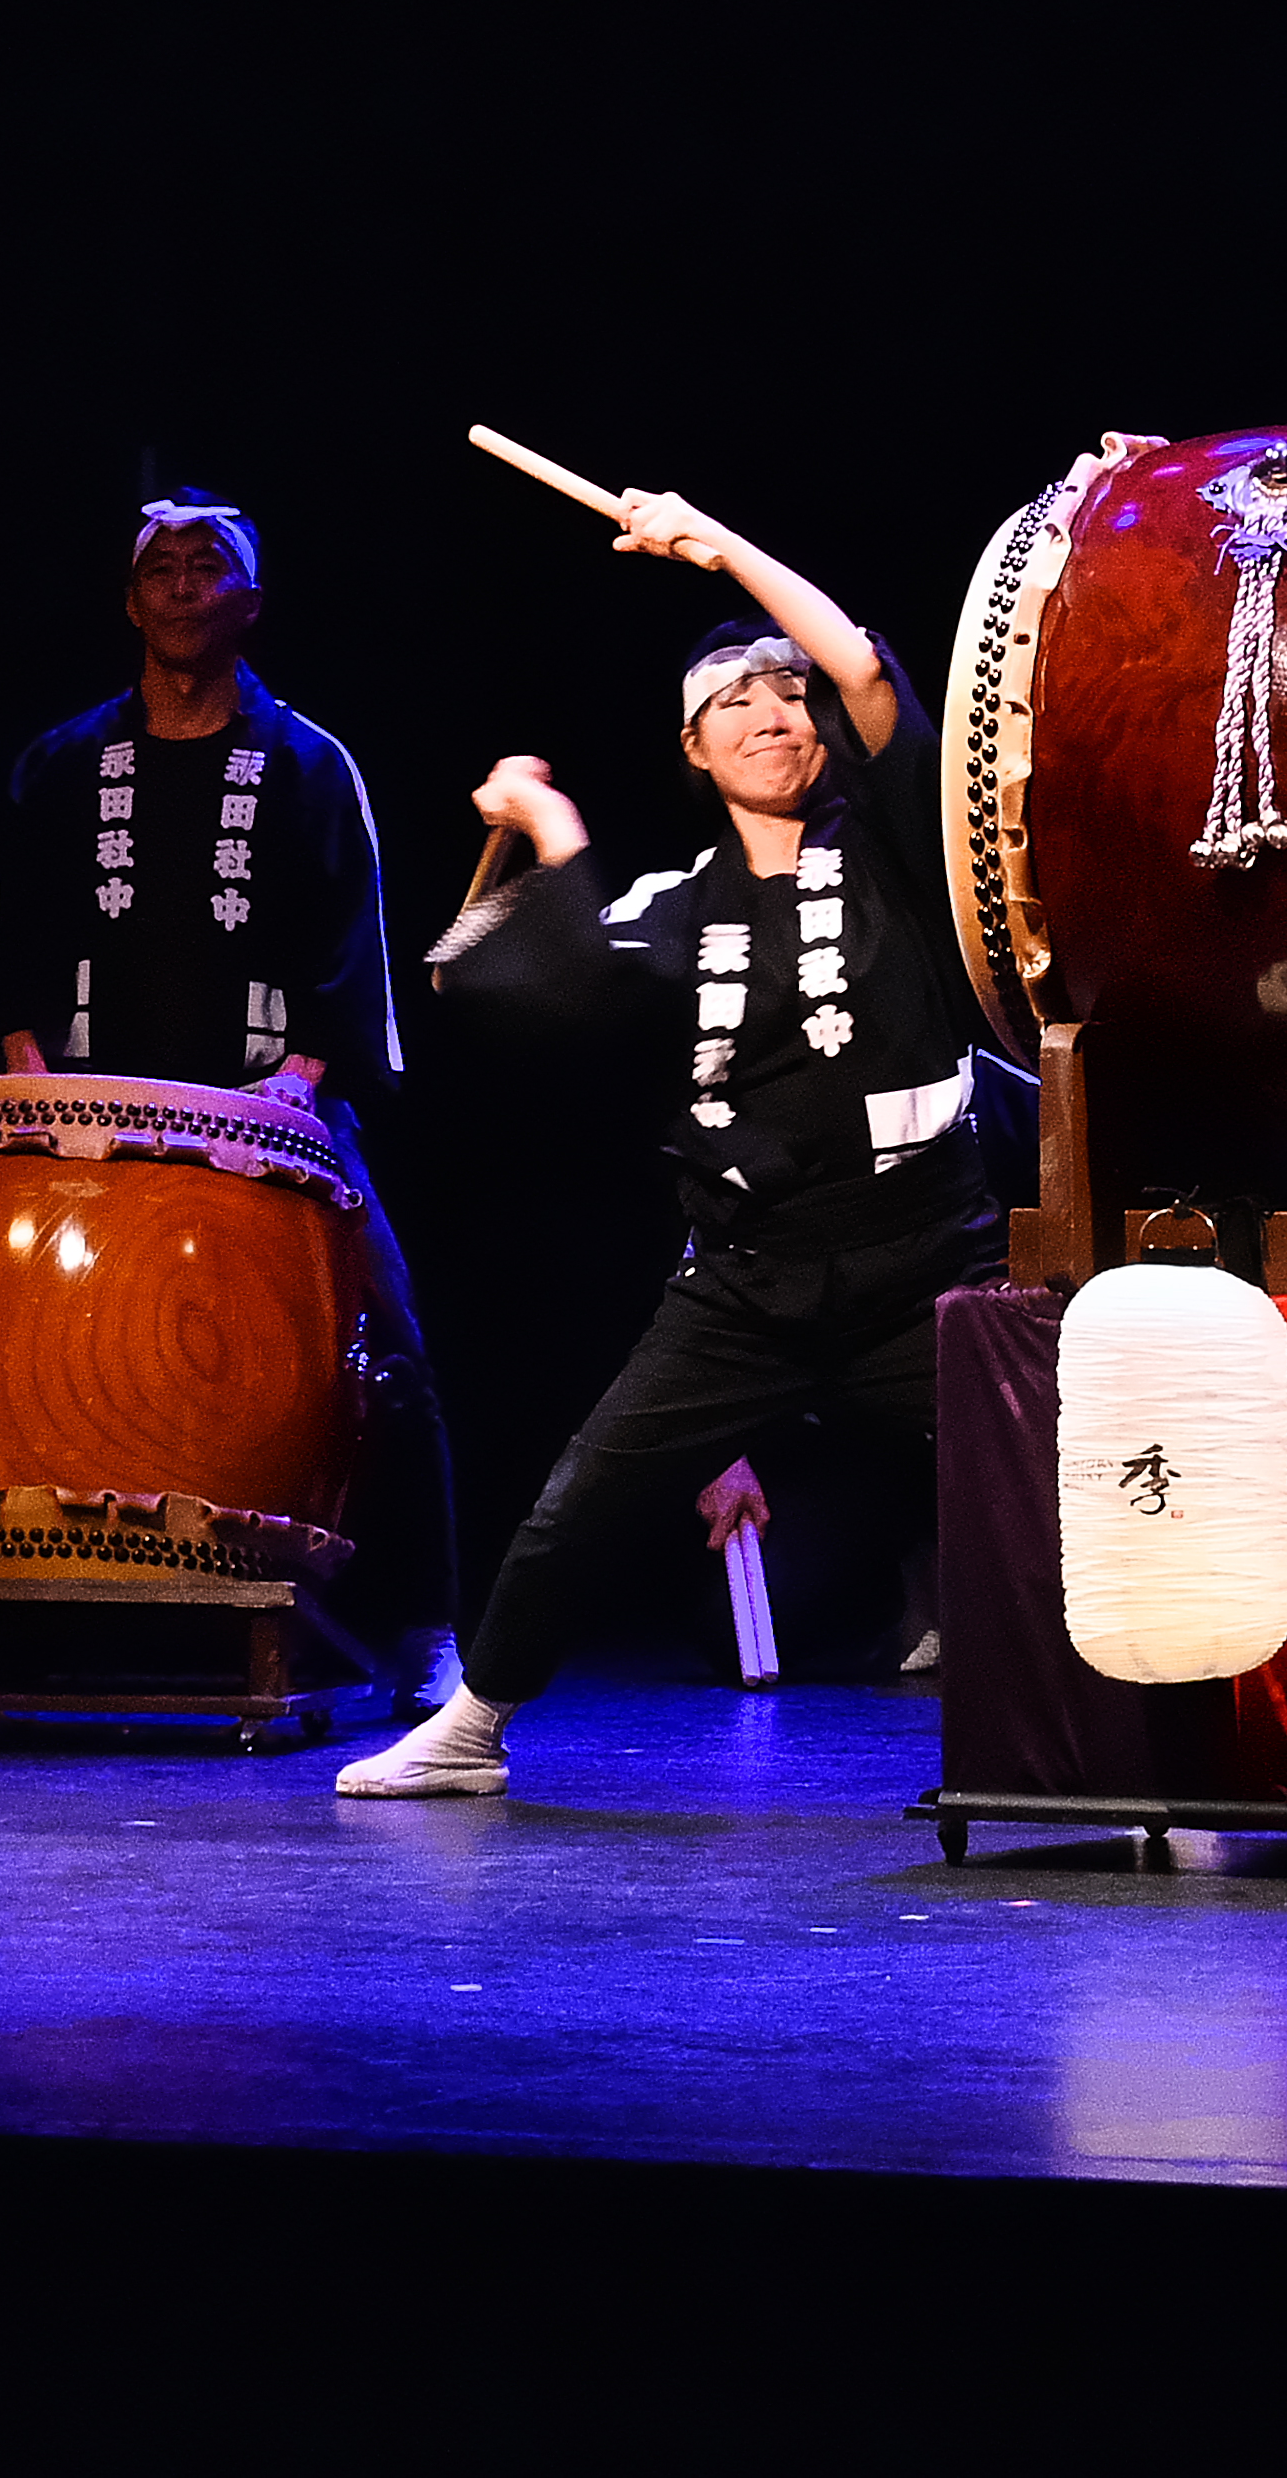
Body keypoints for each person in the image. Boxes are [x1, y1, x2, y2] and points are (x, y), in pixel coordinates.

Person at [338, 486, 990, 1798]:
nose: (771, 710)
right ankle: (472, 1725)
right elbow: (500, 973)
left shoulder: (897, 853)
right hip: (745, 1277)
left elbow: (862, 663)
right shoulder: (672, 905)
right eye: (733, 699)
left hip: (921, 1255)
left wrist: (723, 543)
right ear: (693, 746)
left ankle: (1147, 1740)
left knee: (1049, 1476)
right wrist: (541, 823)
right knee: (581, 1497)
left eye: (785, 693)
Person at [0, 489, 456, 1705]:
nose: (186, 586)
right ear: (131, 602)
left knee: (383, 1347)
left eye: (210, 567)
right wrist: (30, 1087)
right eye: (164, 569)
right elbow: (12, 944)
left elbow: (354, 945)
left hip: (271, 1107)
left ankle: (422, 1628)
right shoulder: (63, 761)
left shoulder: (305, 761)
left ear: (251, 602)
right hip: (84, 1113)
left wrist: (296, 1089)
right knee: (3, 1342)